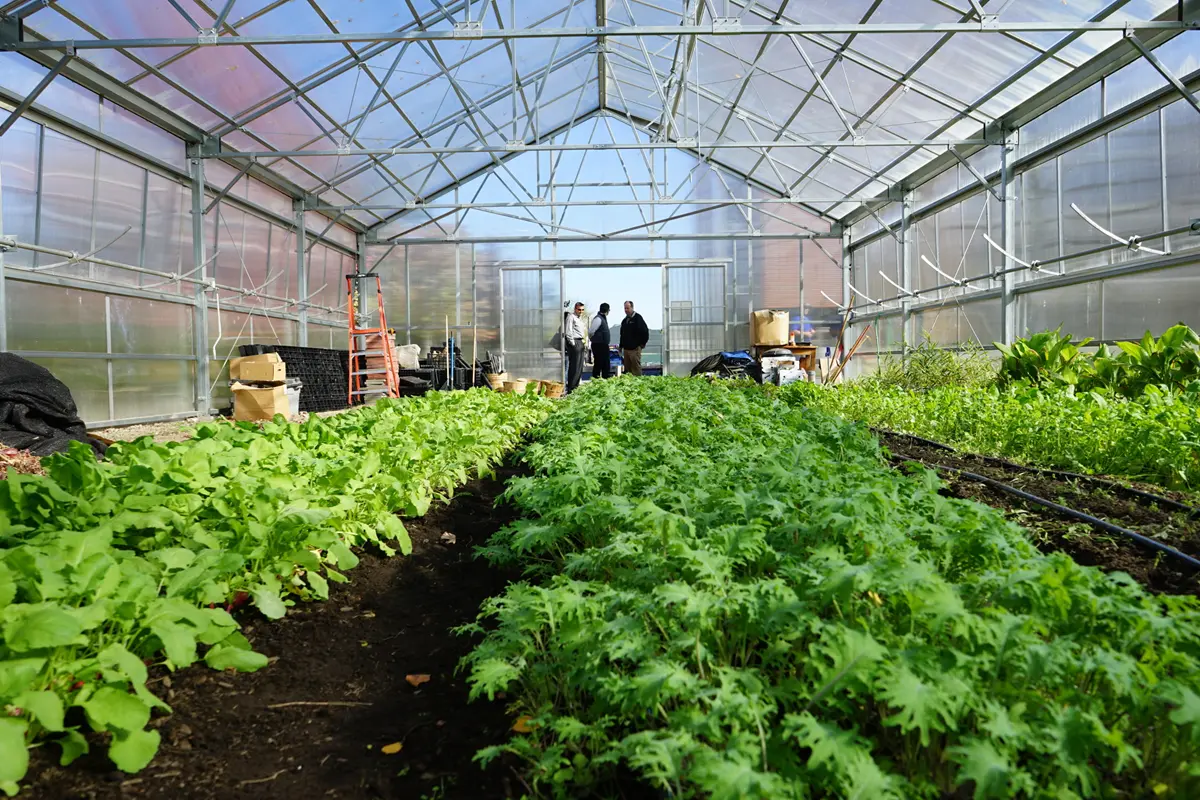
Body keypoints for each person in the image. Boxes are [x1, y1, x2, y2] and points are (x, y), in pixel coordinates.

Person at [619, 300, 649, 376]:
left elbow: (645, 331)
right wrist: (621, 346)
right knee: (627, 369)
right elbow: (622, 334)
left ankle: (638, 383)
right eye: (625, 308)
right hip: (626, 349)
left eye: (627, 308)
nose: (626, 310)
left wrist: (642, 343)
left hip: (635, 349)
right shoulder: (624, 321)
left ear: (632, 308)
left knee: (636, 368)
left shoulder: (638, 318)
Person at [564, 301, 587, 393]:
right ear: (575, 309)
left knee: (579, 366)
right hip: (575, 342)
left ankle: (576, 386)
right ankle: (571, 387)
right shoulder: (571, 317)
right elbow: (568, 331)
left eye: (582, 310)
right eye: (579, 309)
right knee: (574, 366)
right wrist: (573, 344)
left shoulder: (579, 319)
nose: (581, 311)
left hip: (580, 342)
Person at [588, 302, 613, 380]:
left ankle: (604, 378)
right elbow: (591, 331)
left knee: (605, 363)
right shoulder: (598, 318)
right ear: (607, 310)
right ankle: (596, 379)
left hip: (602, 345)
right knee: (599, 363)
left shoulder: (602, 318)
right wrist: (594, 339)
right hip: (599, 345)